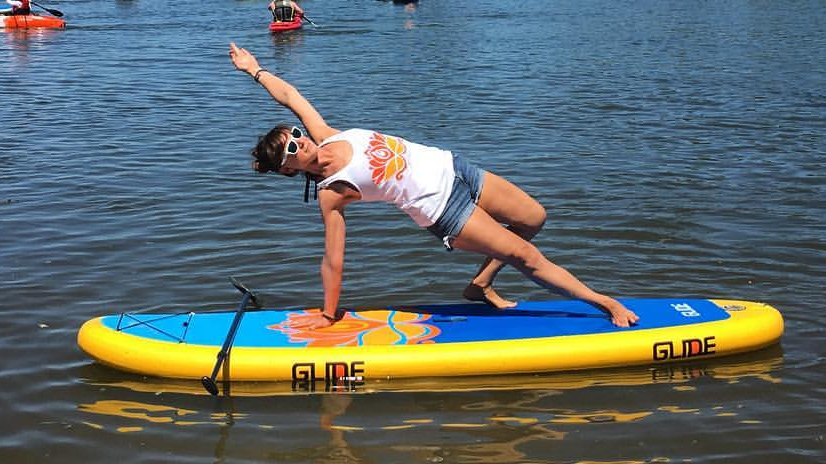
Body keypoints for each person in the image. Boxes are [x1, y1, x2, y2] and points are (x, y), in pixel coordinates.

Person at [228, 43, 638, 330]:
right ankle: (604, 302)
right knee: (526, 256)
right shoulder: (332, 192)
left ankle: (480, 285)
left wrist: (254, 70)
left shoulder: (327, 133)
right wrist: (328, 313)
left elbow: (290, 94)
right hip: (444, 210)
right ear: (288, 170)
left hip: (458, 169)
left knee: (534, 218)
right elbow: (333, 259)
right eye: (292, 148)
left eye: (296, 134)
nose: (302, 140)